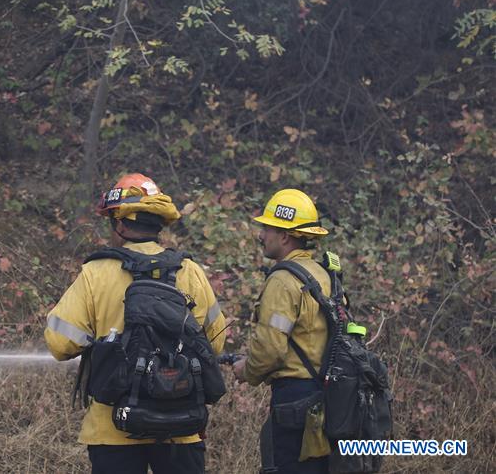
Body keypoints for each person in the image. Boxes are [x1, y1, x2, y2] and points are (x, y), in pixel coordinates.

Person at [45, 173, 226, 474]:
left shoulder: (96, 272)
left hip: (113, 428)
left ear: (120, 222)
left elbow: (60, 343)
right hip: (180, 427)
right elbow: (216, 341)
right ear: (158, 222)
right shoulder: (189, 271)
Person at [233, 188, 332, 474]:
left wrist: (247, 371)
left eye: (267, 228)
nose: (261, 235)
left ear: (285, 236)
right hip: (328, 399)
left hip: (294, 402)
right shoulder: (324, 275)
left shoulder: (283, 280)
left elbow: (270, 351)